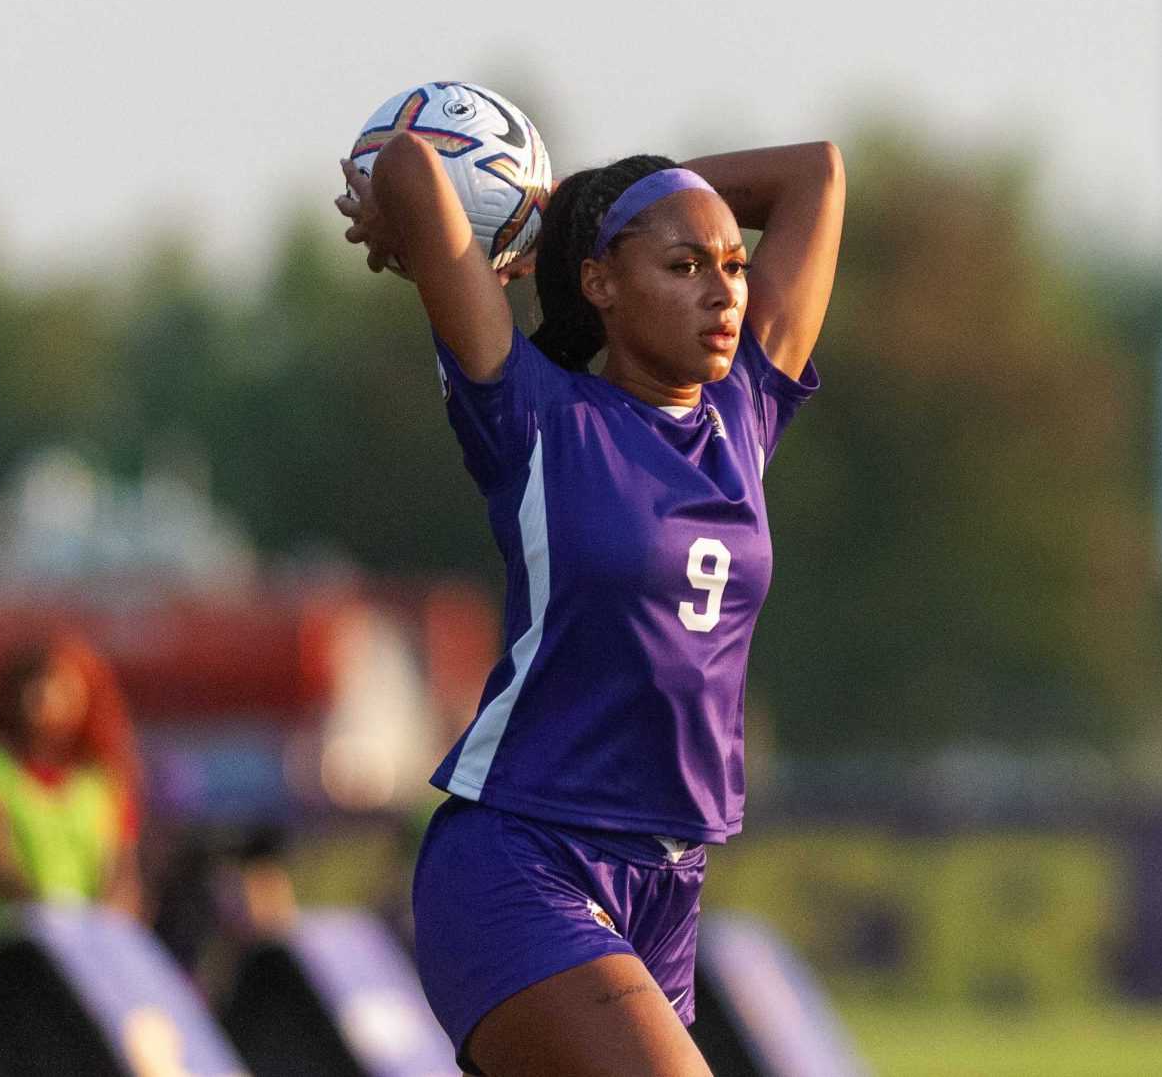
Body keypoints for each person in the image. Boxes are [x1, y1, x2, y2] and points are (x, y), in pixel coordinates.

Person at [337, 133, 843, 1077]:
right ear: (599, 283)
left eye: (734, 263)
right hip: (521, 856)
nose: (725, 289)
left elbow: (816, 173)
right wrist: (543, 219)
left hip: (668, 881)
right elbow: (410, 161)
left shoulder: (742, 417)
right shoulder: (535, 416)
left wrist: (581, 200)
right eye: (685, 265)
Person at [0, 634, 144, 962]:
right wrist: (46, 919)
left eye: (61, 687)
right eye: (36, 685)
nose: (45, 698)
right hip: (11, 950)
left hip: (89, 954)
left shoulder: (105, 779)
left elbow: (121, 867)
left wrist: (103, 926)